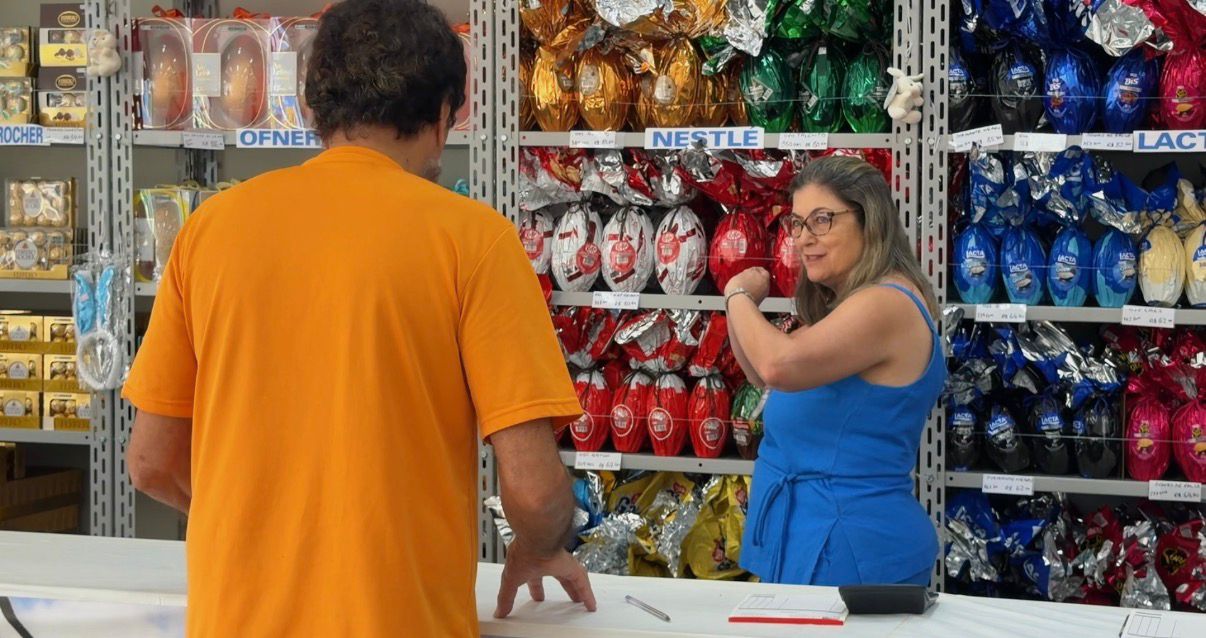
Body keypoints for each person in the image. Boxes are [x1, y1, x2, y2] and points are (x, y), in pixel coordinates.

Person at [122, 1, 595, 635]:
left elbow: (150, 462)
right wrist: (538, 544)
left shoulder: (210, 230)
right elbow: (535, 492)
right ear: (443, 114)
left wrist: (258, 530)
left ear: (314, 109)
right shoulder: (474, 241)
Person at [723, 156, 944, 586]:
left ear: (870, 221)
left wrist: (736, 296)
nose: (804, 239)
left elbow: (775, 364)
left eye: (822, 220)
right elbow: (756, 370)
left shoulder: (886, 303)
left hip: (848, 551)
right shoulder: (848, 303)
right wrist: (741, 309)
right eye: (798, 224)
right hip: (820, 541)